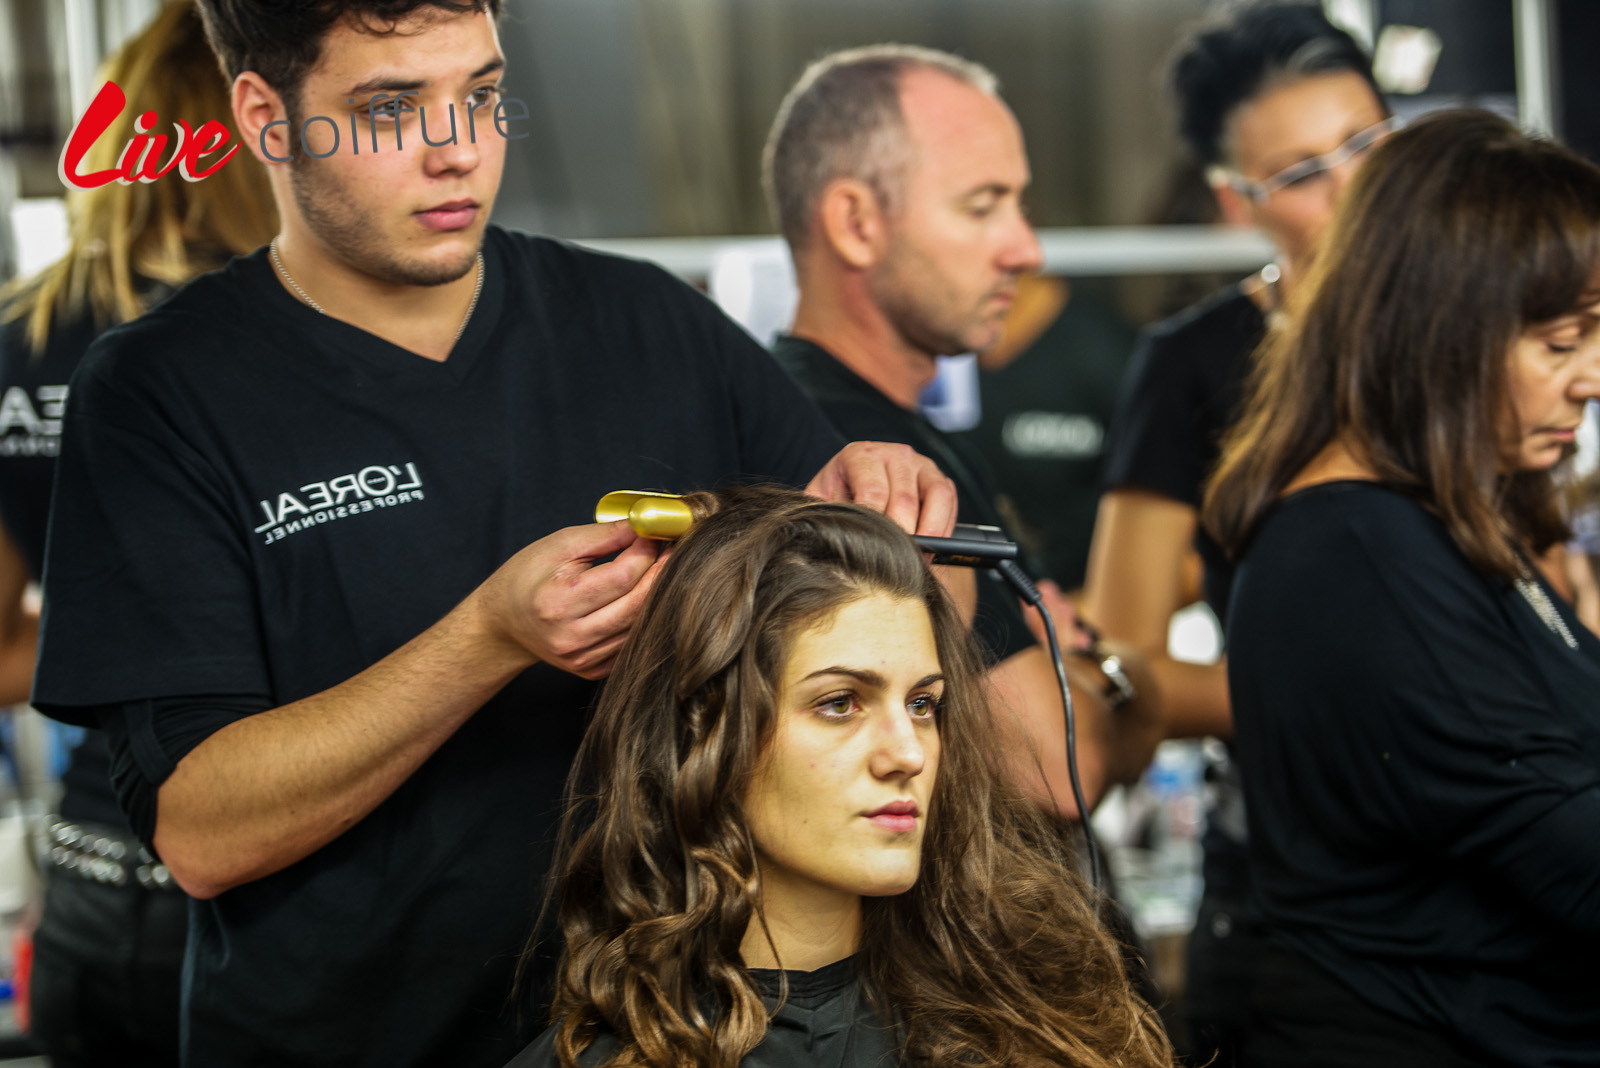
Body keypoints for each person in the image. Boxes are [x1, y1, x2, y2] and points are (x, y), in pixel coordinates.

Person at [28, 3, 957, 1066]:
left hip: (663, 1037)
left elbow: (913, 632)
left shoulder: (645, 324)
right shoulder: (164, 393)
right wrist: (487, 640)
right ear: (266, 118)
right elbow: (201, 832)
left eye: (480, 95)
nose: (458, 150)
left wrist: (887, 500)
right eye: (390, 109)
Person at [507, 485, 1174, 1068]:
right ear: (706, 732)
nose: (906, 753)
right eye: (839, 703)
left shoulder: (1040, 1023)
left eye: (922, 704)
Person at [1204, 108, 1600, 1067]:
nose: (1590, 380)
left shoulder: (1432, 529)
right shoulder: (1357, 555)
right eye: (1559, 344)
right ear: (1443, 334)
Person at [1078, 4, 1387, 1059]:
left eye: (1366, 143)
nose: (1352, 190)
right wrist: (1340, 706)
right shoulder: (1196, 364)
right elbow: (1117, 656)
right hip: (1301, 884)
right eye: (1301, 173)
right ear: (1234, 200)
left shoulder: (1493, 328)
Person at [763, 44, 1164, 820]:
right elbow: (1055, 767)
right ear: (855, 223)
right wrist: (1103, 666)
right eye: (982, 206)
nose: (1026, 248)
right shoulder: (861, 458)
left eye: (1018, 204)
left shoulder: (899, 430)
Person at [0, 2, 277, 1062]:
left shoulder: (18, 335)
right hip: (252, 882)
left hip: (87, 878)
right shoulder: (257, 337)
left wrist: (110, 661)